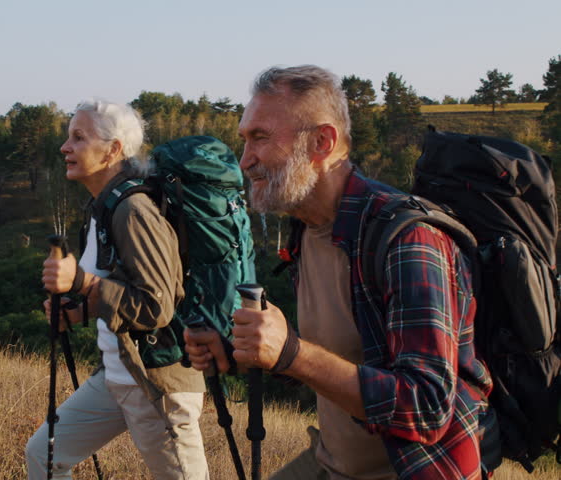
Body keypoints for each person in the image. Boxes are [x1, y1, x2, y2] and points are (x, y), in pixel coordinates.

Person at [184, 65, 496, 479]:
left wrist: (291, 353)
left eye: (260, 138)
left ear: (321, 142)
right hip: (332, 463)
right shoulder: (307, 230)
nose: (245, 161)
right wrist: (242, 351)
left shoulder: (407, 239)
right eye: (244, 140)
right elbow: (335, 357)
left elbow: (426, 409)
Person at [25, 99, 209, 479]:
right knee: (44, 455)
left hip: (156, 383)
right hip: (118, 373)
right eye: (67, 137)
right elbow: (124, 289)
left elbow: (156, 307)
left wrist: (81, 283)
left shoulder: (134, 210)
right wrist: (78, 311)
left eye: (78, 137)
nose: (65, 147)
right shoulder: (104, 207)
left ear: (113, 149)